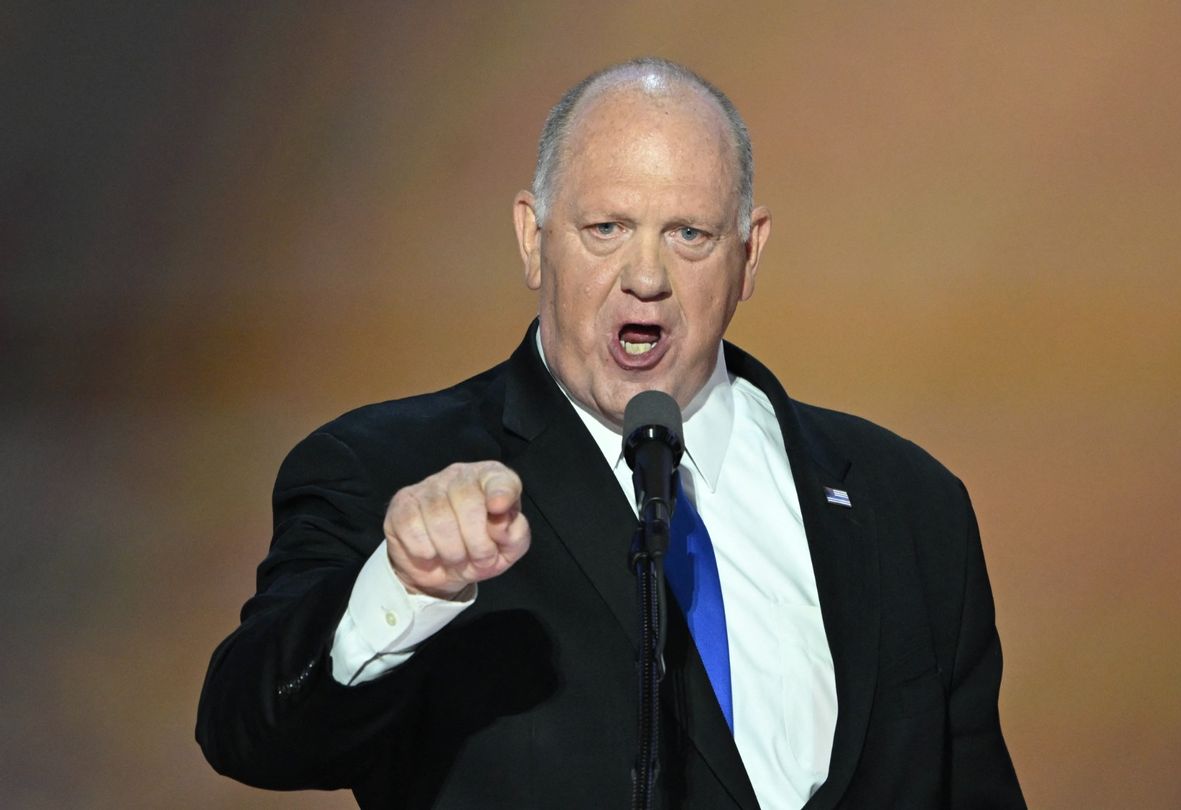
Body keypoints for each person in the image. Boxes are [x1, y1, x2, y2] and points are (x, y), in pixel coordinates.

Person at [197, 57, 1025, 809]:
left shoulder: (909, 506)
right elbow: (250, 730)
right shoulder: (387, 473)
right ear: (533, 237)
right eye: (607, 229)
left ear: (750, 253)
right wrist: (404, 587)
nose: (646, 277)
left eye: (689, 234)